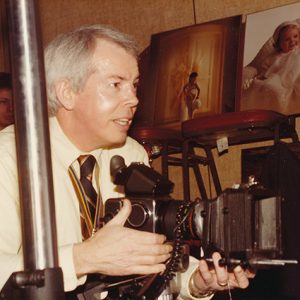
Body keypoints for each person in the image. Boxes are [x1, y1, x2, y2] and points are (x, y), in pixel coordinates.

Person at [0, 24, 253, 299]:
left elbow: (148, 258)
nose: (133, 99)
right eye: (116, 84)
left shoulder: (131, 154)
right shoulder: (9, 158)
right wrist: (81, 259)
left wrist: (196, 282)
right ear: (67, 92)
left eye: (133, 86)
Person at [241, 20, 300, 114]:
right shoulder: (275, 57)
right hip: (278, 80)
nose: (292, 41)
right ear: (279, 44)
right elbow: (265, 69)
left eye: (295, 36)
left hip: (294, 78)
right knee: (267, 86)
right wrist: (263, 76)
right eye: (287, 39)